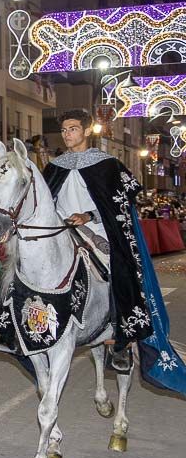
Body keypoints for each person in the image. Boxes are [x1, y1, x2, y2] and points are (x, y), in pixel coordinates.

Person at [42, 110, 186, 387]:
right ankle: (22, 327)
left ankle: (119, 335)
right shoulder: (54, 166)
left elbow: (120, 204)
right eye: (63, 130)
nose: (67, 134)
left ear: (86, 131)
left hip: (96, 230)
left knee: (118, 270)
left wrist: (88, 216)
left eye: (72, 129)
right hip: (62, 231)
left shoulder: (107, 164)